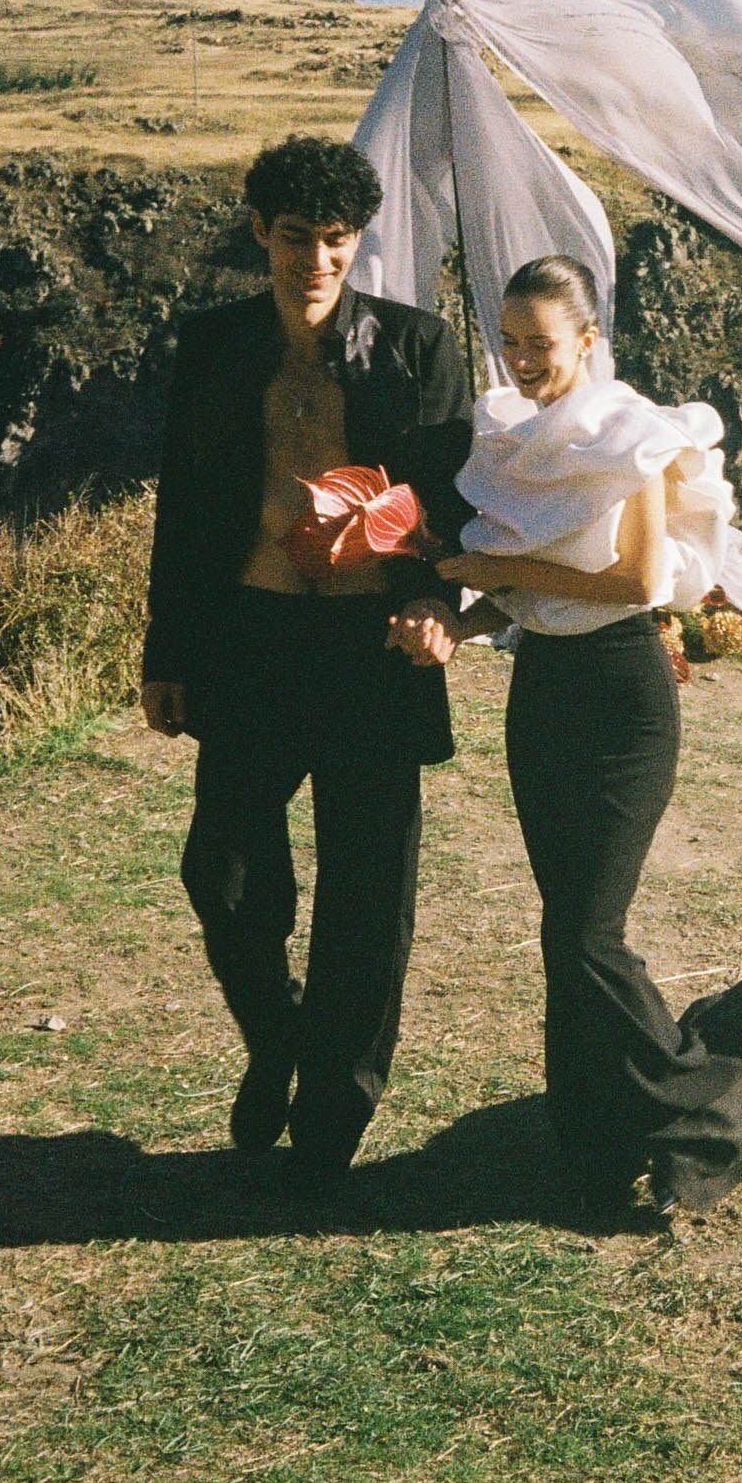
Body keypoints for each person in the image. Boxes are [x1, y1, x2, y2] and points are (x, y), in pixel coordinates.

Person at [390, 254, 742, 1227]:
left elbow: (635, 582)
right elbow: (527, 598)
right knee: (562, 930)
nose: (523, 360)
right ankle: (591, 1144)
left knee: (588, 932)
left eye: (542, 342)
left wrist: (493, 567)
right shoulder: (513, 440)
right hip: (544, 692)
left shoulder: (629, 433)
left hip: (623, 695)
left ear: (587, 340)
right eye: (510, 342)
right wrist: (458, 623)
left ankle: (707, 1102)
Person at [141, 136, 472, 1179]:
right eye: (295, 237)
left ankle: (335, 1111)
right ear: (259, 233)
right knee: (223, 871)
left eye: (336, 240)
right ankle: (277, 1035)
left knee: (369, 889)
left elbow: (455, 498)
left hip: (372, 646)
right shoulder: (214, 346)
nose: (316, 261)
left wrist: (438, 602)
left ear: (358, 240)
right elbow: (184, 507)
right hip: (251, 633)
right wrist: (166, 652)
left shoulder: (416, 348)